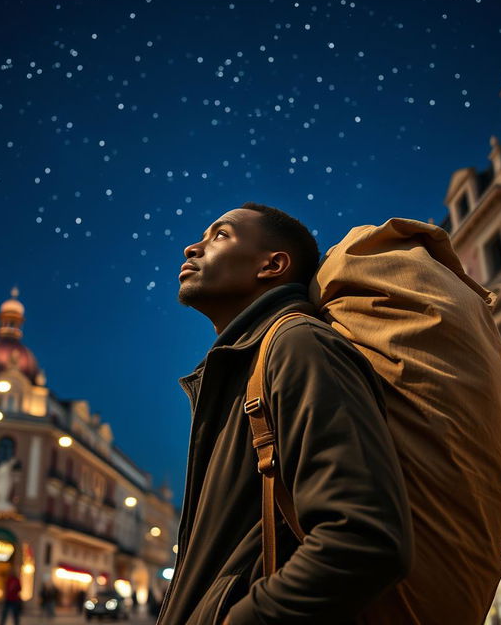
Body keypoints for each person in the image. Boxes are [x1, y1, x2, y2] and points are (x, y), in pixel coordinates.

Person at [157, 204, 413, 624]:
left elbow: (362, 538)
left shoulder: (299, 344)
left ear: (272, 265)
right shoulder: (247, 363)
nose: (192, 248)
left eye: (219, 235)